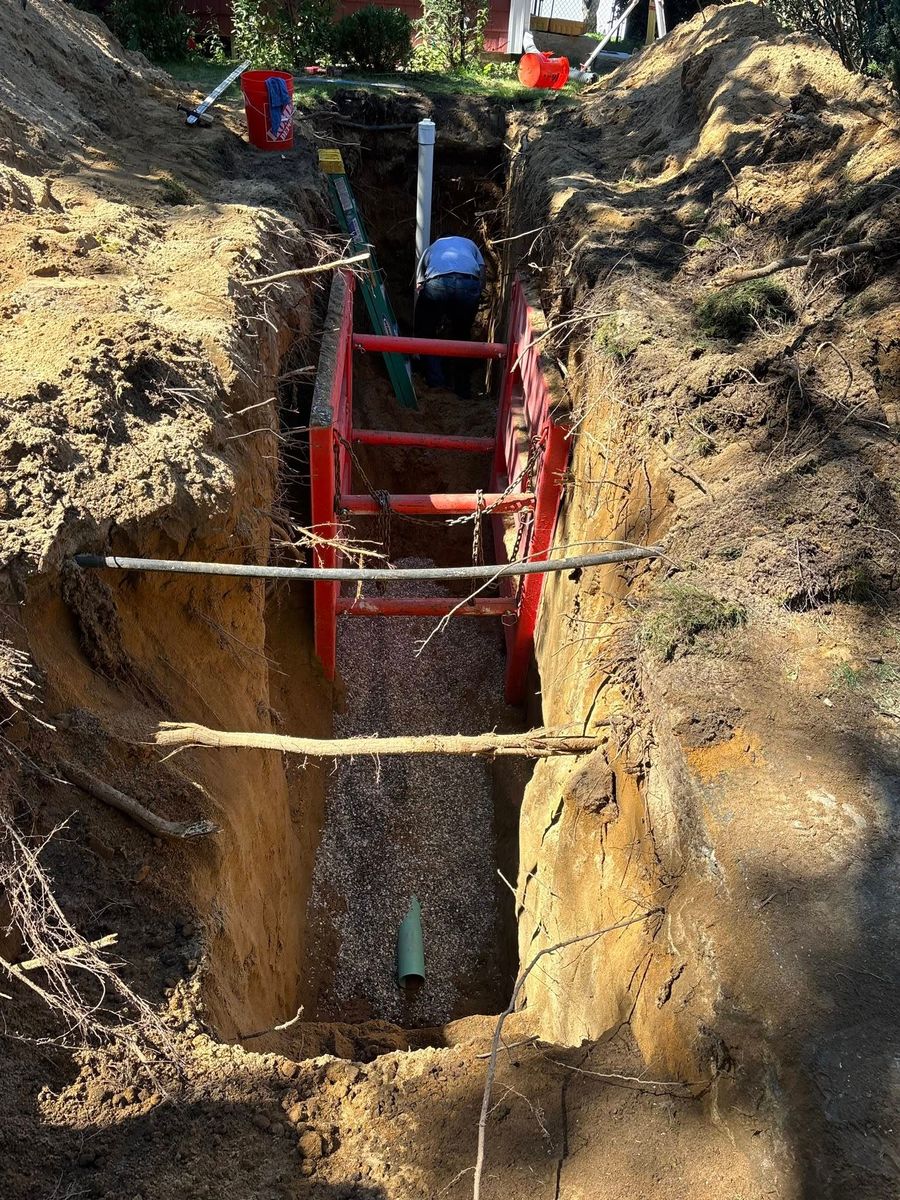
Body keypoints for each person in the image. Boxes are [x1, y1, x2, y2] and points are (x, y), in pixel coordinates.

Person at [414, 236, 486, 398]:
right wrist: (474, 295)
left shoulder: (432, 248)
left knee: (425, 333)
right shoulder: (471, 244)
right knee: (462, 337)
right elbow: (482, 274)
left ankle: (435, 382)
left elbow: (420, 284)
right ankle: (462, 389)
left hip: (437, 283)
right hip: (468, 285)